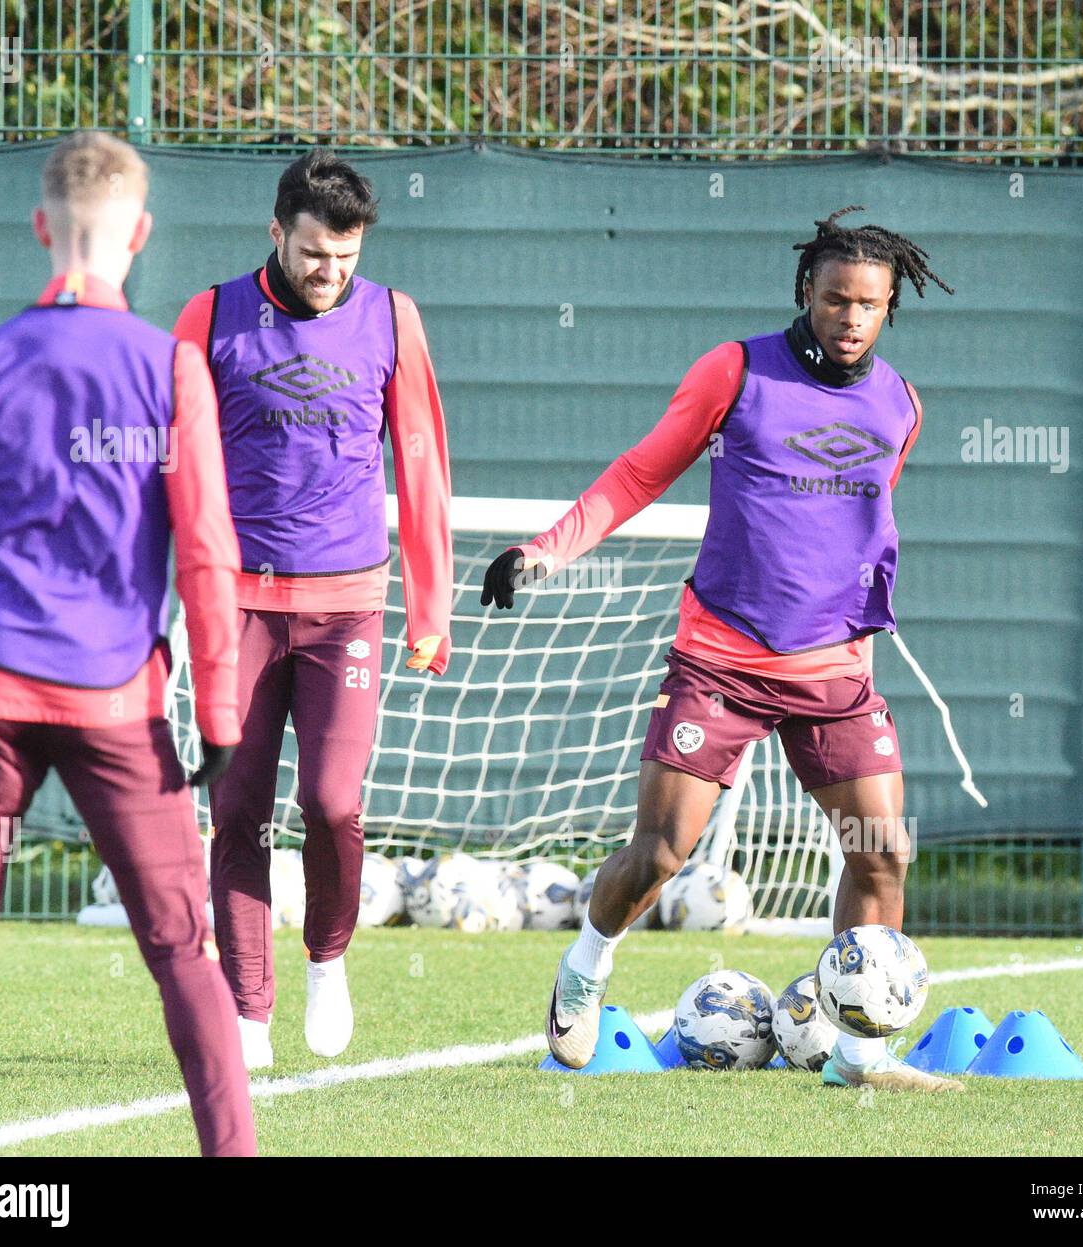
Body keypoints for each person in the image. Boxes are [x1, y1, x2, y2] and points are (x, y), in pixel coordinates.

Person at [482, 206, 963, 1092]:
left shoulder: (902, 403)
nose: (850, 318)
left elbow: (859, 525)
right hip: (721, 660)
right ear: (804, 292)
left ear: (890, 306)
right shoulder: (735, 370)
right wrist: (545, 549)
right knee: (662, 852)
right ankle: (584, 974)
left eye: (869, 303)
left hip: (835, 673)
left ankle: (861, 1059)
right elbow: (639, 472)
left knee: (881, 849)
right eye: (834, 299)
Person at [0, 131, 256, 1154]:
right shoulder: (168, 367)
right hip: (117, 705)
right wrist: (227, 714)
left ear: (39, 228)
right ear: (141, 234)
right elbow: (207, 555)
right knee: (184, 952)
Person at [173, 150, 453, 1069]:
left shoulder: (392, 317)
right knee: (239, 807)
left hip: (348, 610)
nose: (330, 273)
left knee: (332, 802)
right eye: (311, 254)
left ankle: (327, 958)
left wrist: (432, 604)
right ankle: (248, 1008)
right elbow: (169, 470)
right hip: (237, 610)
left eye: (346, 255)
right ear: (275, 235)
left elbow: (419, 460)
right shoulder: (210, 317)